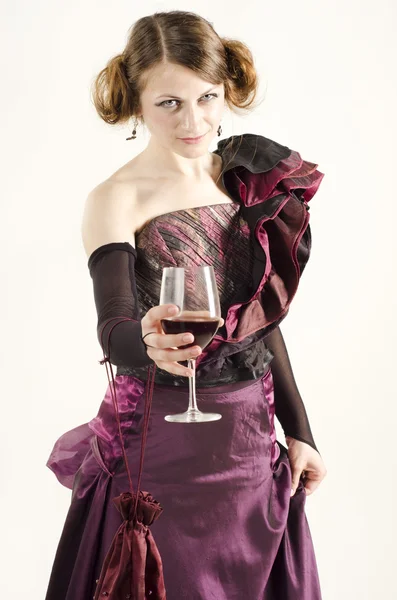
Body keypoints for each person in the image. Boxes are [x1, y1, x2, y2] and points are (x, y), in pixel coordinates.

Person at [45, 9, 327, 600]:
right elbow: (114, 327)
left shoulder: (243, 181)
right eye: (169, 102)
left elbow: (261, 320)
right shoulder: (114, 198)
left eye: (207, 97)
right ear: (136, 102)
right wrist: (145, 340)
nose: (194, 119)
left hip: (248, 441)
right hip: (158, 446)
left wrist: (300, 433)